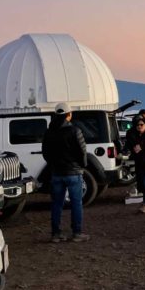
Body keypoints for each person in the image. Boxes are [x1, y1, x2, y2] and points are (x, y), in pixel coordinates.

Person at [41, 102, 88, 243]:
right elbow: (82, 151)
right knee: (76, 203)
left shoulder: (49, 132)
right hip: (73, 173)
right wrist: (82, 165)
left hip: (57, 173)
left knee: (56, 204)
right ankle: (77, 233)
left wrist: (53, 164)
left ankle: (56, 233)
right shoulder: (75, 131)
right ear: (69, 114)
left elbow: (45, 153)